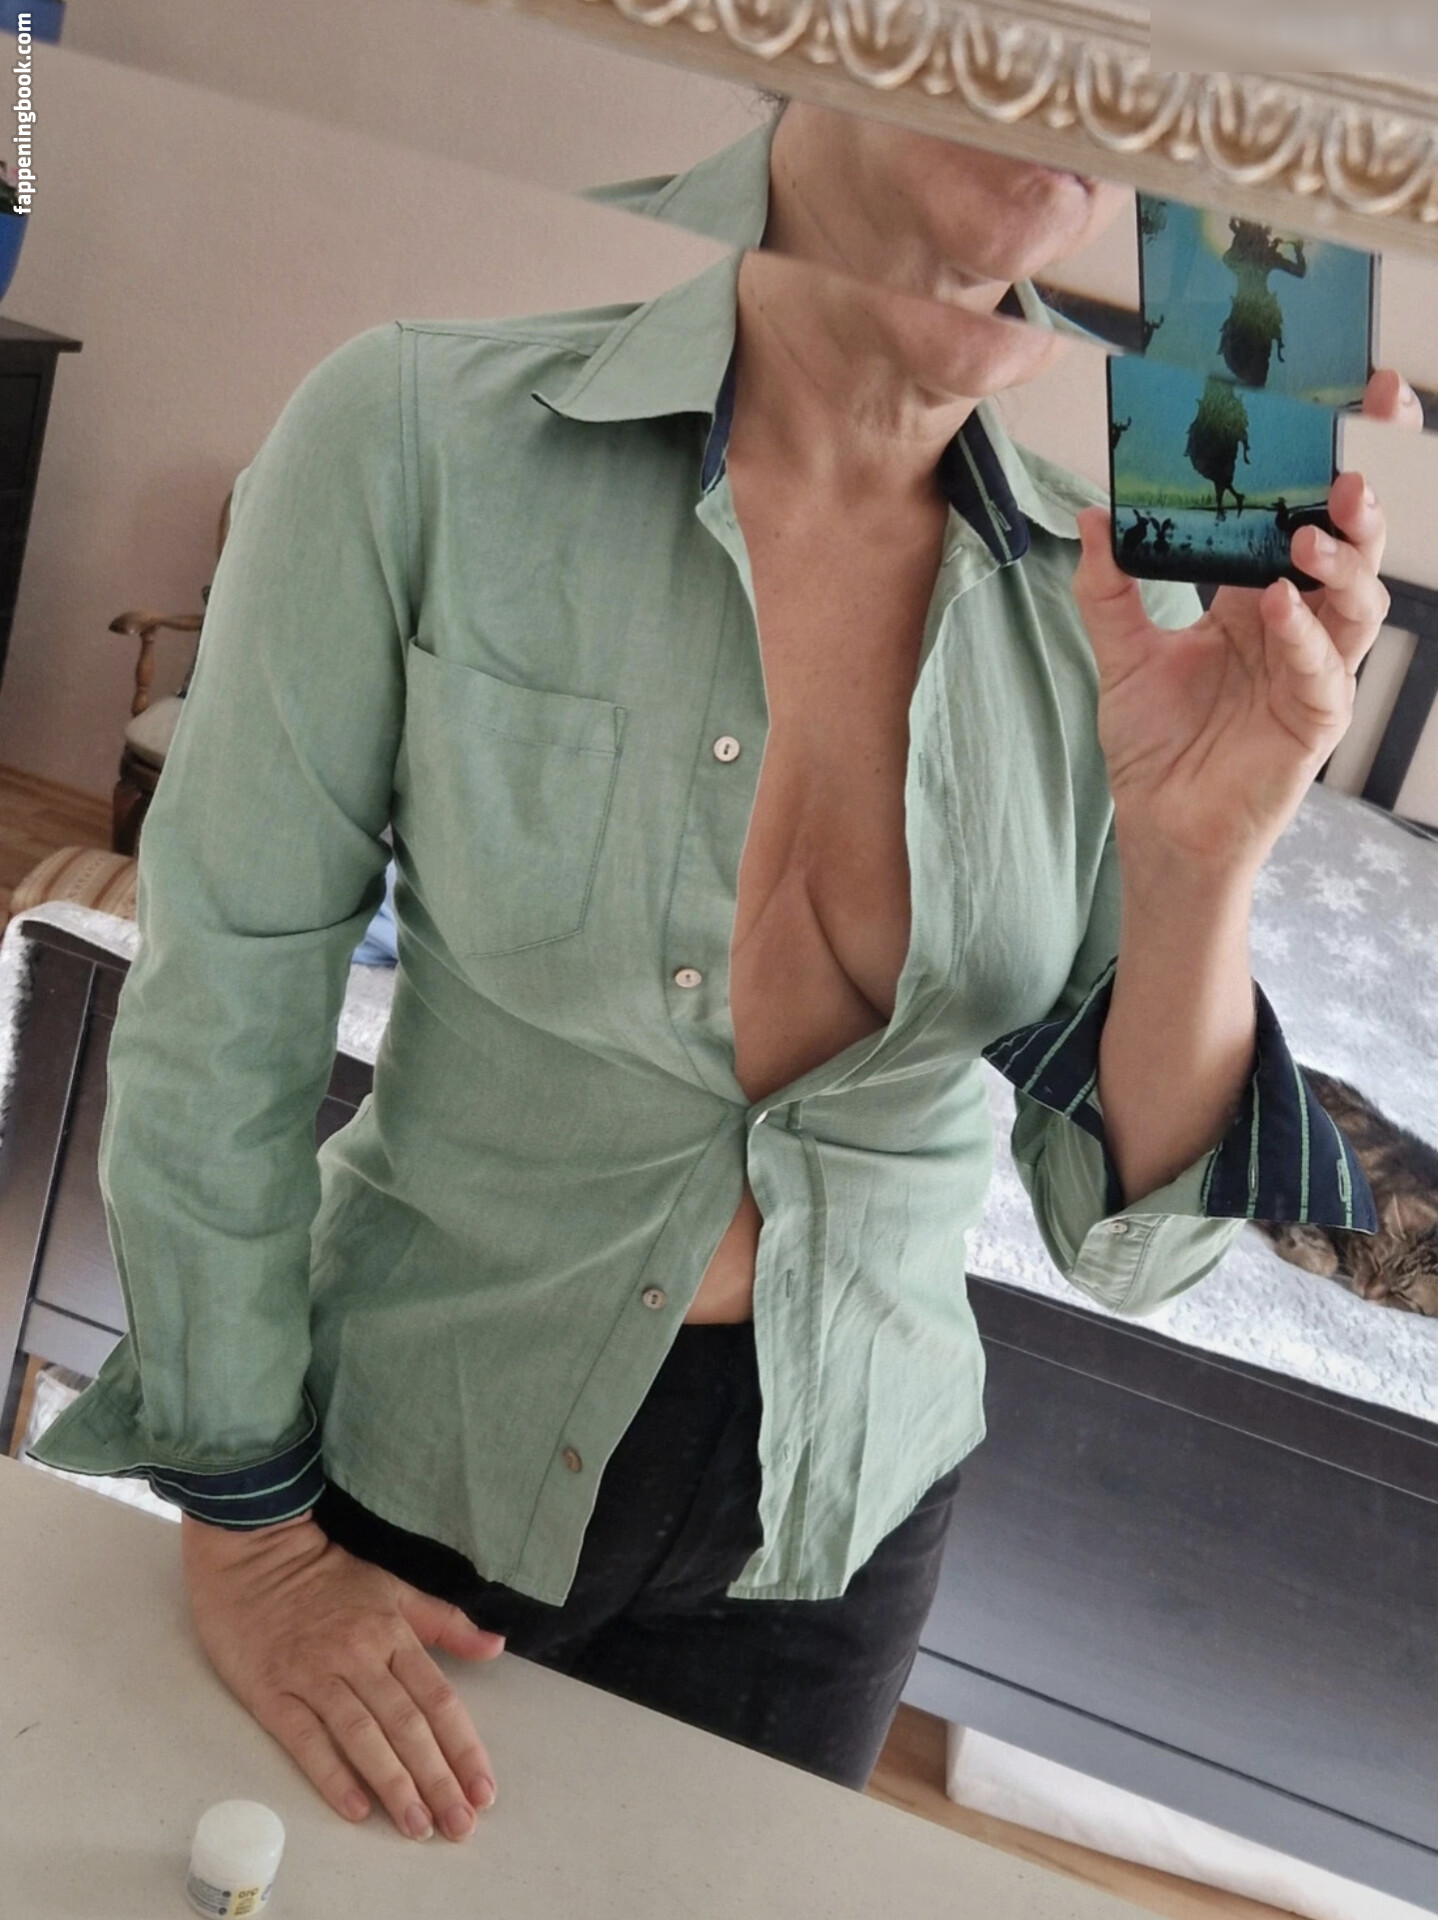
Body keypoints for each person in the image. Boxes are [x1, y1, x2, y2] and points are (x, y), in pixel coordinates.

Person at [32, 105, 1417, 1847]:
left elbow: (1128, 1246)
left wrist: (1205, 852)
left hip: (839, 1525)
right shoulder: (417, 437)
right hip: (421, 1451)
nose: (1072, 108)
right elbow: (221, 1008)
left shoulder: (1105, 617)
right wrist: (249, 1532)